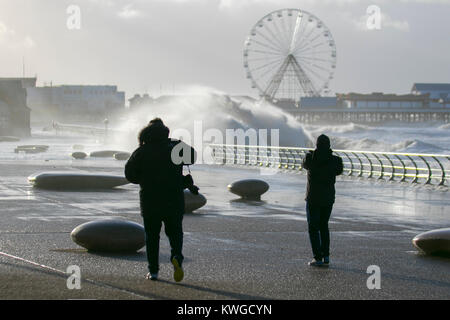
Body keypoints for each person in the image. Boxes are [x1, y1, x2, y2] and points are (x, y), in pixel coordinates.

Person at [125, 118, 196, 281]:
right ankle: (177, 257)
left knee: (152, 236)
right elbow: (192, 157)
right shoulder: (175, 148)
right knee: (175, 233)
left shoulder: (141, 151)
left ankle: (154, 271)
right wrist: (179, 143)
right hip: (174, 199)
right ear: (166, 133)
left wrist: (143, 180)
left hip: (150, 200)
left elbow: (129, 174)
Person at [302, 134, 343, 267]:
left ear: (317, 144)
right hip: (328, 199)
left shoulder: (311, 157)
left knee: (313, 228)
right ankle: (326, 256)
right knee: (324, 226)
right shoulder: (335, 160)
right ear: (329, 145)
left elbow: (304, 164)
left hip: (313, 198)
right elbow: (339, 171)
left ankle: (317, 257)